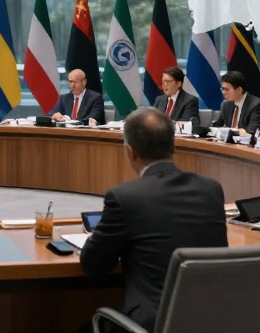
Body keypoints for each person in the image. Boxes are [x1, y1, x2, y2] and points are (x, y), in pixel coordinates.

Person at [80, 108, 228, 331]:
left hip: (154, 323)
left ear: (130, 152)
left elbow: (93, 263)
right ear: (173, 146)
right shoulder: (211, 189)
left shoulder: (125, 197)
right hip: (212, 319)